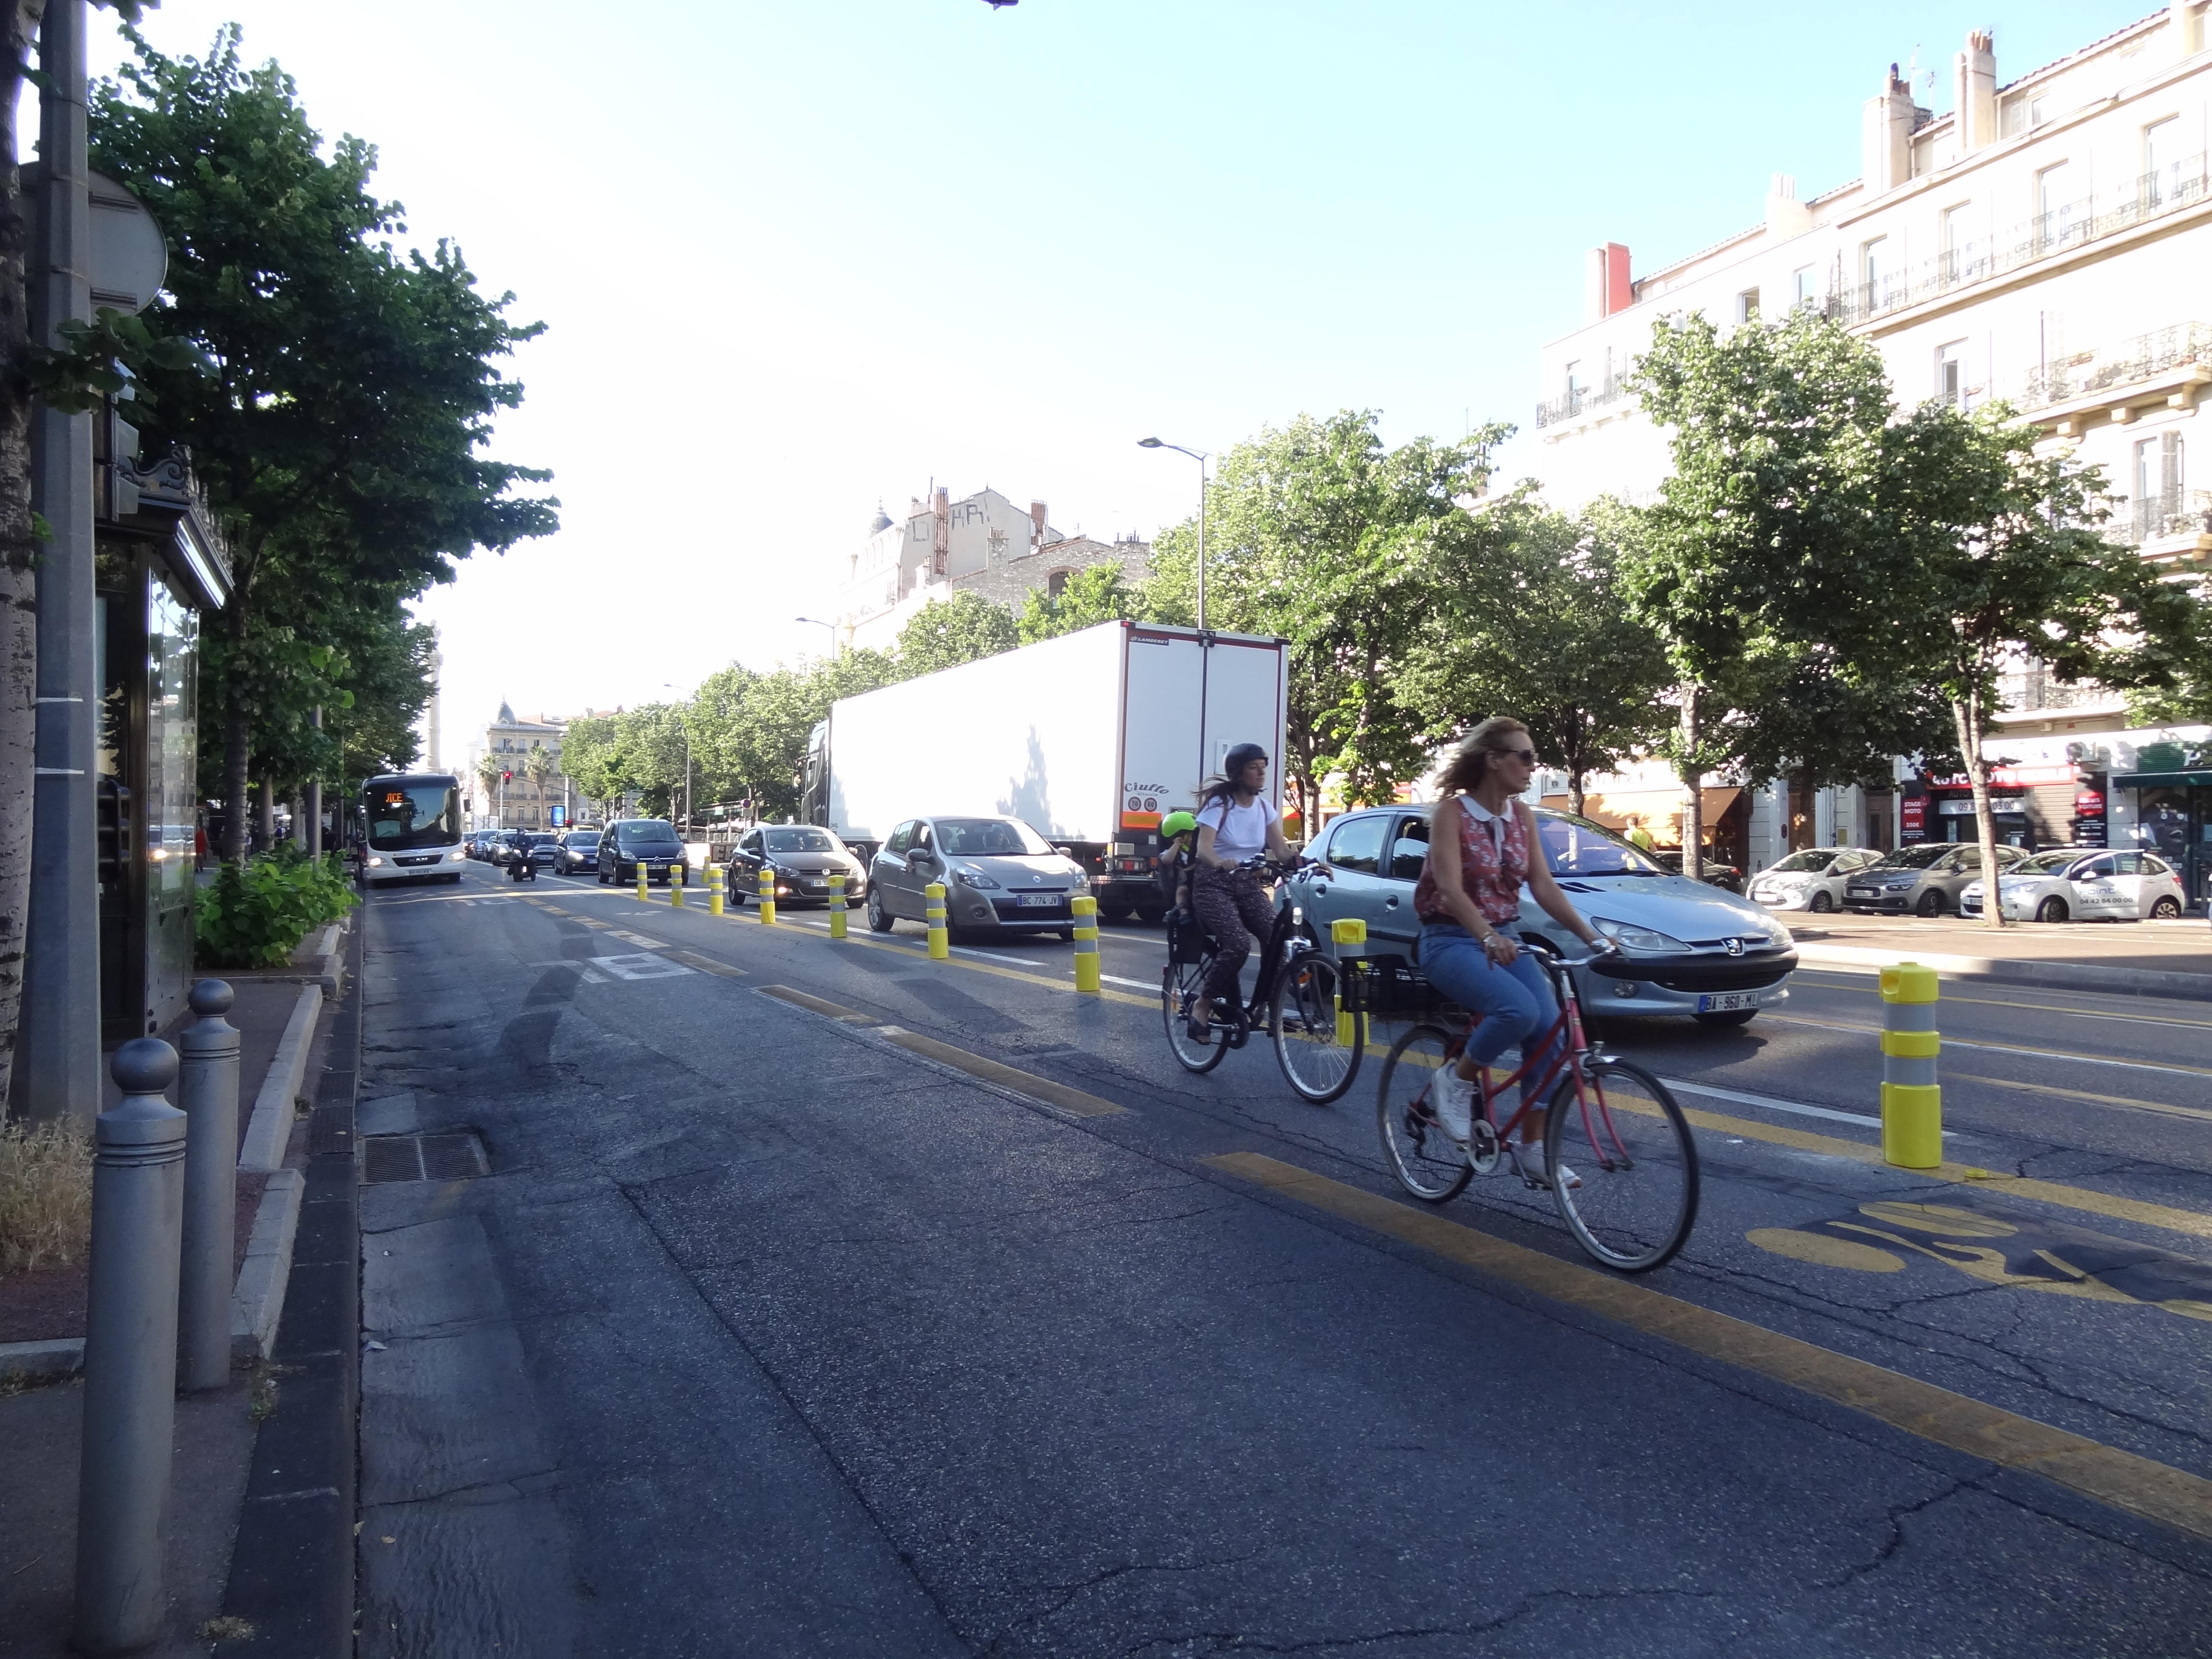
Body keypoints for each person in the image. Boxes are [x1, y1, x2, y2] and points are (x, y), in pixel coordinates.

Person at [1414, 717, 1611, 1190]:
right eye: (1524, 757)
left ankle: (1532, 1150)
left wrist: (1593, 938)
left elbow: (1543, 886)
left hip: (1504, 938)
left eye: (1533, 757)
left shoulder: (1522, 816)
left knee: (1550, 1033)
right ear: (1493, 760)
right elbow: (1449, 889)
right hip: (1450, 940)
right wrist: (1486, 937)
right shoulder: (1451, 814)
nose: (1532, 766)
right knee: (1518, 1010)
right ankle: (1455, 1081)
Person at [1186, 743, 1296, 1043]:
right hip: (1213, 884)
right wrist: (1220, 862)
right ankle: (1203, 1004)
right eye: (1253, 768)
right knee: (1238, 945)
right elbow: (1203, 849)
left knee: (1277, 938)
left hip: (1246, 883)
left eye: (1263, 767)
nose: (1261, 773)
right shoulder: (1219, 806)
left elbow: (1282, 851)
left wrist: (1309, 862)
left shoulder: (1264, 808)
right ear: (1238, 773)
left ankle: (1273, 1010)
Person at [1156, 809, 1200, 919]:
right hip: (1186, 885)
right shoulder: (1172, 853)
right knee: (1182, 891)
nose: (1193, 839)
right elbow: (1167, 860)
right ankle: (1183, 913)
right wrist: (1177, 845)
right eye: (1190, 836)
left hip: (1201, 883)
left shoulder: (1198, 852)